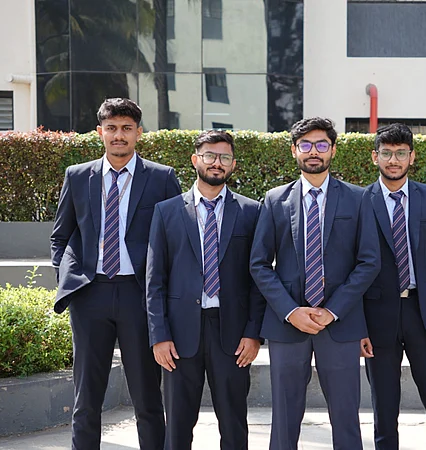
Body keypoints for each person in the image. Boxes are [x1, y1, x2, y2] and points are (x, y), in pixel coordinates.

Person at [50, 97, 182, 449]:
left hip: (139, 296)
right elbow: (60, 237)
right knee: (86, 398)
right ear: (100, 132)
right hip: (89, 295)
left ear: (139, 133)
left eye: (126, 129)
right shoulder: (78, 176)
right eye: (111, 129)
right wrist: (68, 281)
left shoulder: (162, 177)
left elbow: (178, 238)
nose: (118, 135)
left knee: (147, 398)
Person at [249, 117, 380, 450]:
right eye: (305, 145)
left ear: (333, 150)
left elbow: (369, 262)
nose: (313, 152)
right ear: (294, 150)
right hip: (288, 324)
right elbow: (260, 264)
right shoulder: (275, 199)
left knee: (346, 416)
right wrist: (291, 311)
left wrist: (332, 310)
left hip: (340, 324)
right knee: (285, 416)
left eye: (321, 144)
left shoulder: (358, 198)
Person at [146, 130, 265, 450]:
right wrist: (159, 335)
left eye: (224, 157)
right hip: (180, 335)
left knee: (234, 423)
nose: (217, 163)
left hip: (233, 335)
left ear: (233, 164)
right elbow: (155, 280)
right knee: (179, 426)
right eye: (210, 155)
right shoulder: (167, 212)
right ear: (195, 159)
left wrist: (254, 333)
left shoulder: (251, 212)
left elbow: (259, 279)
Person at [361, 123, 426, 450]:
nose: (394, 160)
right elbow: (352, 269)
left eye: (401, 153)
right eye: (387, 153)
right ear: (375, 156)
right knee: (384, 408)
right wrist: (358, 327)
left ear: (412, 157)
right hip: (378, 318)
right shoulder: (361, 200)